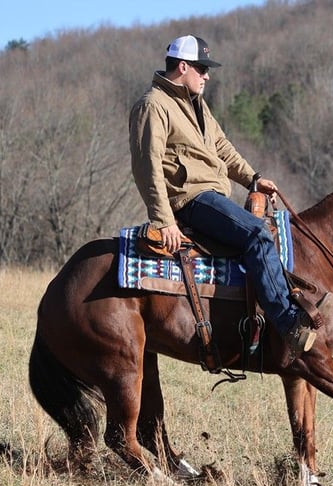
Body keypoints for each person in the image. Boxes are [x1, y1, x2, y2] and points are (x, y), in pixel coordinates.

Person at [129, 34, 321, 356]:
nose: (207, 76)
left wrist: (253, 180)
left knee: (263, 231)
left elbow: (222, 148)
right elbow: (146, 166)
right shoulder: (153, 105)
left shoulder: (195, 104)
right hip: (191, 200)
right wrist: (164, 221)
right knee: (258, 235)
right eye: (202, 69)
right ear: (183, 66)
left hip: (213, 196)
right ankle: (288, 323)